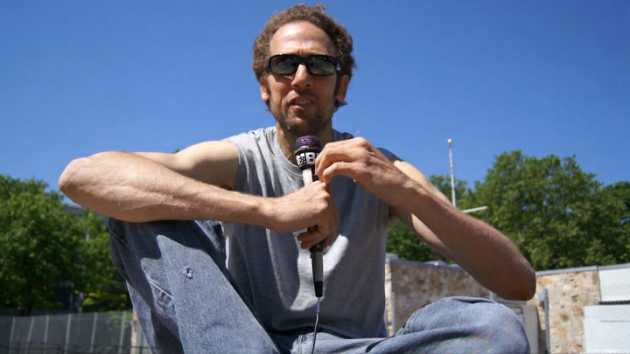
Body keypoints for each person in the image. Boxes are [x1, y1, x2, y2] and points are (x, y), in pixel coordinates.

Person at [59, 4, 535, 353]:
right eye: (284, 65)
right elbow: (83, 176)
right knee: (143, 202)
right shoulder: (238, 157)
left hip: (354, 348)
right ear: (265, 87)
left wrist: (407, 190)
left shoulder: (383, 171)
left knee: (495, 330)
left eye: (321, 65)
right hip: (243, 343)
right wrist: (268, 211)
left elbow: (518, 284)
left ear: (341, 84)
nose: (302, 77)